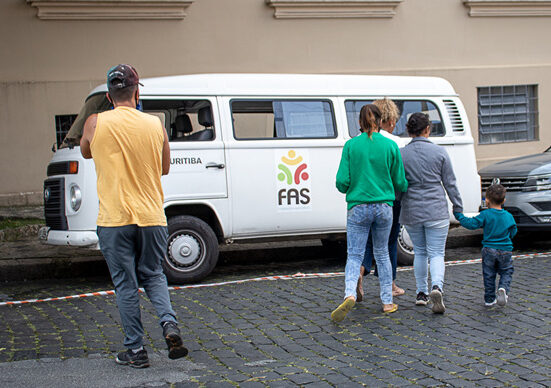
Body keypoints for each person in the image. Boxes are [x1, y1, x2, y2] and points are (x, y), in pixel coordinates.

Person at [80, 64, 187, 368]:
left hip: (115, 219)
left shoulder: (95, 122)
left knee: (126, 284)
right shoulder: (155, 124)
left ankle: (136, 350)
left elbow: (86, 152)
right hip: (152, 216)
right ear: (137, 92)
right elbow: (165, 167)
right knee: (154, 275)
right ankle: (169, 324)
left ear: (109, 96)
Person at [332, 104, 408, 322]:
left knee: (355, 255)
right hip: (384, 206)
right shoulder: (390, 145)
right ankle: (387, 301)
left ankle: (349, 294)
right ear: (381, 120)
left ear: (360, 122)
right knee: (382, 254)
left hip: (358, 206)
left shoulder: (351, 146)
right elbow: (400, 181)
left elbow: (341, 182)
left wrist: (352, 187)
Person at [400, 112, 463, 314]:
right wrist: (458, 206)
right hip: (436, 209)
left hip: (412, 210)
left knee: (420, 251)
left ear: (409, 130)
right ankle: (437, 286)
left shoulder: (402, 154)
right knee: (437, 253)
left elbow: (398, 185)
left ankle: (421, 293)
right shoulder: (440, 152)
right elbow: (450, 183)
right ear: (428, 129)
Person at [357, 98, 405, 302]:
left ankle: (361, 270)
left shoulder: (356, 140)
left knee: (367, 242)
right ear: (391, 120)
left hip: (362, 200)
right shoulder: (395, 143)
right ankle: (390, 286)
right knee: (388, 243)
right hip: (389, 200)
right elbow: (400, 178)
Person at [454, 184, 517, 307]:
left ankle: (489, 299)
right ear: (504, 200)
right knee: (506, 271)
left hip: (489, 249)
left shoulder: (486, 215)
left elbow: (471, 224)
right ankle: (503, 288)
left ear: (486, 200)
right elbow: (513, 231)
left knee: (489, 274)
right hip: (505, 250)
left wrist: (458, 215)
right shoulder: (509, 216)